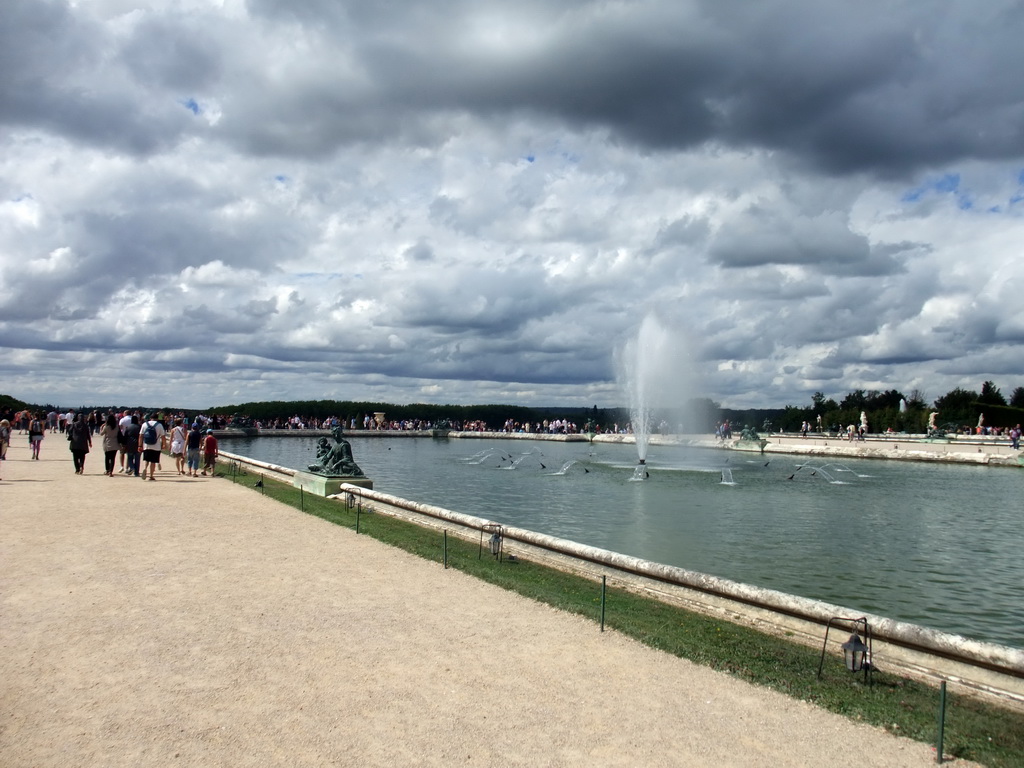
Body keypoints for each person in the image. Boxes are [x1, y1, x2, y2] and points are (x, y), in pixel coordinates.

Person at [138, 413, 165, 481]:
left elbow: (141, 436)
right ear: (157, 418)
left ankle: (145, 468)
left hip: (146, 445)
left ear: (150, 418)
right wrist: (164, 444)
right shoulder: (159, 425)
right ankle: (151, 475)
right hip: (156, 446)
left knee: (147, 459)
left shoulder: (144, 424)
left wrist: (140, 445)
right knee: (153, 461)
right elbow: (163, 436)